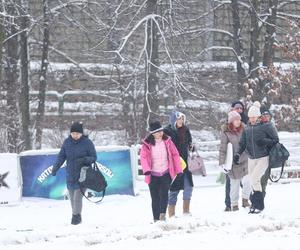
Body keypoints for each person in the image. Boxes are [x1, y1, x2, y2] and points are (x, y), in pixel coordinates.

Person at [234, 102, 279, 214]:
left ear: (258, 116)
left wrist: (265, 141)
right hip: (251, 158)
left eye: (254, 117)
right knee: (253, 181)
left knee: (254, 179)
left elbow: (276, 140)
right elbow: (242, 143)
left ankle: (258, 204)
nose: (252, 119)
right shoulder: (247, 128)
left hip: (264, 157)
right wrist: (238, 154)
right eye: (250, 117)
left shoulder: (267, 126)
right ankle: (257, 205)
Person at [51, 122, 97, 225]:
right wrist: (55, 168)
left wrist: (84, 159)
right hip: (70, 175)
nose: (75, 135)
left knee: (77, 198)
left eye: (77, 133)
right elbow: (61, 156)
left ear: (81, 133)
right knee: (72, 199)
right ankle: (77, 216)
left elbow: (94, 157)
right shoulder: (67, 142)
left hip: (83, 175)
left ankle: (75, 218)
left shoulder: (87, 143)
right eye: (73, 133)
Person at [140, 121, 183, 222]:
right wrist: (146, 170)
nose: (160, 133)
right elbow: (143, 157)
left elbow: (175, 155)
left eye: (161, 131)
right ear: (152, 133)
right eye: (157, 131)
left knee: (164, 195)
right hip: (152, 175)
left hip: (166, 173)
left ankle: (162, 218)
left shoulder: (168, 141)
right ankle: (156, 219)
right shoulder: (147, 144)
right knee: (155, 198)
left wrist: (179, 170)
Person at [219, 111, 251, 211]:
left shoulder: (245, 129)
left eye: (239, 119)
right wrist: (222, 163)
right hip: (233, 163)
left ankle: (245, 199)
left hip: (245, 160)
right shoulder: (226, 133)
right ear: (231, 121)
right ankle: (234, 204)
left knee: (248, 181)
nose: (238, 121)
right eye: (236, 120)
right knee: (234, 185)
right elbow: (223, 149)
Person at [164, 111, 193, 217]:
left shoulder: (186, 130)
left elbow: (189, 143)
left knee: (188, 186)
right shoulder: (167, 131)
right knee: (174, 189)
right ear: (173, 120)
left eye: (182, 119)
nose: (180, 121)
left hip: (185, 163)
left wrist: (191, 146)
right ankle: (171, 214)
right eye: (178, 119)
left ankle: (186, 211)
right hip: (174, 164)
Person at [260, 105, 277, 198]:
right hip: (257, 157)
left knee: (264, 180)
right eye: (264, 115)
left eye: (268, 115)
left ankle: (261, 200)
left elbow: (276, 140)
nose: (266, 117)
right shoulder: (257, 126)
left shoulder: (271, 126)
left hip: (267, 157)